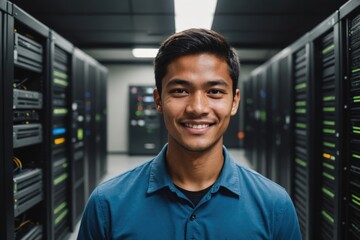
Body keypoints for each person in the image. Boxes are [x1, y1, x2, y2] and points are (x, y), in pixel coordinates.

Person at [77, 28, 301, 240]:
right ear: (158, 100)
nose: (197, 107)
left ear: (234, 102)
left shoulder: (274, 206)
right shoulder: (107, 204)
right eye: (180, 91)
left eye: (214, 91)